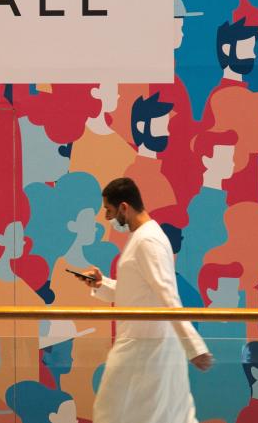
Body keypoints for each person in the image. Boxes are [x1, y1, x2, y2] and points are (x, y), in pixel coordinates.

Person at [77, 177, 213, 423]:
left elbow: (166, 293)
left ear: (124, 207)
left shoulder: (147, 240)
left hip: (147, 346)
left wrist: (194, 346)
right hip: (145, 344)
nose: (107, 218)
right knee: (164, 415)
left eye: (109, 210)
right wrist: (101, 284)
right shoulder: (142, 238)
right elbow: (138, 292)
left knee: (112, 411)